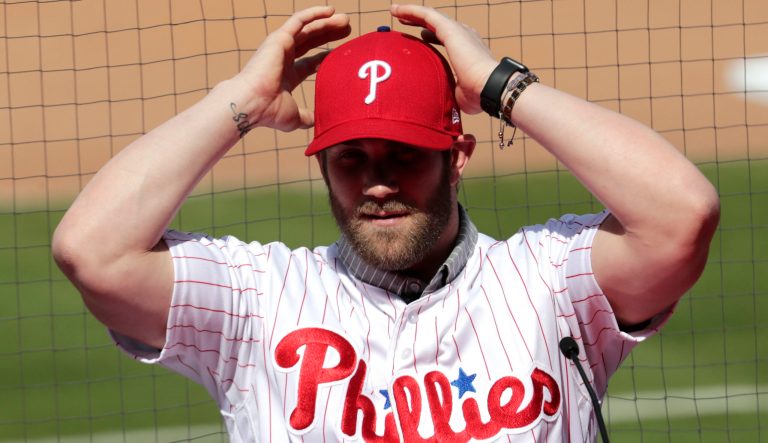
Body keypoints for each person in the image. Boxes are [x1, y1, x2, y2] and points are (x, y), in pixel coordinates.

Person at [52, 4, 719, 442]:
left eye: (404, 154)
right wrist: (242, 101)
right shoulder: (256, 299)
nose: (377, 181)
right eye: (351, 158)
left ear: (456, 157)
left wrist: (498, 85)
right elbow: (93, 251)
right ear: (322, 167)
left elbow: (681, 216)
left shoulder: (550, 280)